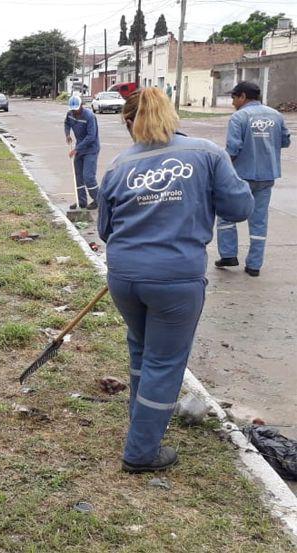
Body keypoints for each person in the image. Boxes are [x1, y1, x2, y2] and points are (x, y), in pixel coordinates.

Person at [97, 88, 253, 473]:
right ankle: (141, 452)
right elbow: (240, 206)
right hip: (175, 279)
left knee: (141, 349)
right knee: (164, 362)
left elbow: (105, 229)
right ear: (173, 115)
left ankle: (141, 423)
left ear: (129, 122)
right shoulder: (206, 154)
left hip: (125, 277)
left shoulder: (118, 166)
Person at [215, 81, 291, 277]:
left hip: (242, 177)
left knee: (226, 214)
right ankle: (254, 265)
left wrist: (221, 170)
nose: (232, 102)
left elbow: (233, 149)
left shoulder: (239, 117)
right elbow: (285, 141)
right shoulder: (276, 115)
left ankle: (229, 254)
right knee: (259, 220)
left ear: (242, 97)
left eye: (233, 98)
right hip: (267, 175)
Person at [64, 94, 101, 210]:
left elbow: (91, 136)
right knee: (78, 176)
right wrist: (67, 134)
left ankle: (98, 200)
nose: (75, 112)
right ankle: (81, 202)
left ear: (81, 105)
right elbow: (66, 123)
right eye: (73, 109)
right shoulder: (70, 114)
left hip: (91, 149)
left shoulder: (89, 116)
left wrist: (76, 149)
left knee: (88, 176)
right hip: (79, 148)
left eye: (76, 109)